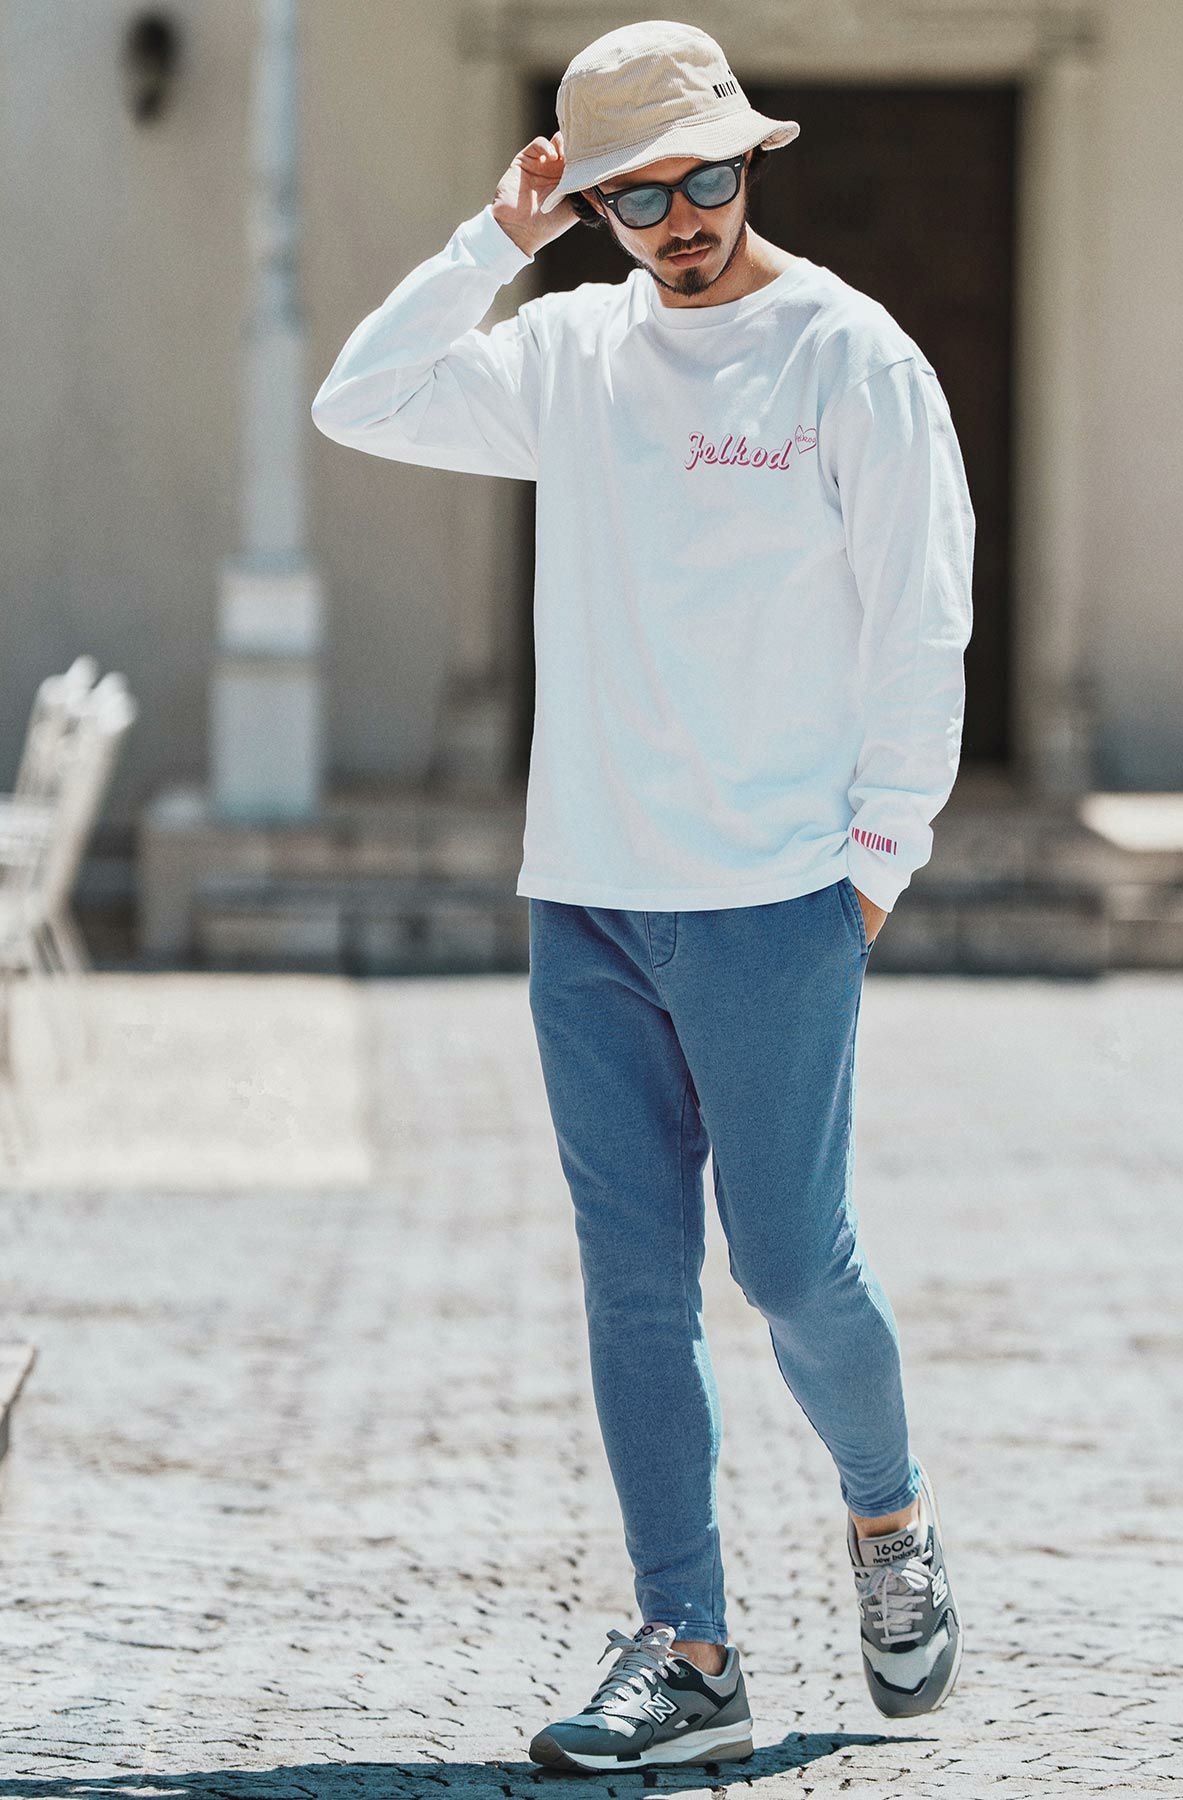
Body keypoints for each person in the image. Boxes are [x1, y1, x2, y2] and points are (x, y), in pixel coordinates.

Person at [311, 18, 975, 1777]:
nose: (681, 219)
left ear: (751, 163)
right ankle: (690, 1646)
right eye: (637, 197)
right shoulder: (574, 351)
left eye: (707, 179)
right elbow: (359, 398)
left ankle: (890, 1517)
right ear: (591, 203)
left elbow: (921, 621)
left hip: (775, 896)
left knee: (793, 1268)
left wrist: (877, 869)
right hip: (589, 896)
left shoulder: (849, 354)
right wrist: (494, 242)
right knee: (631, 1290)